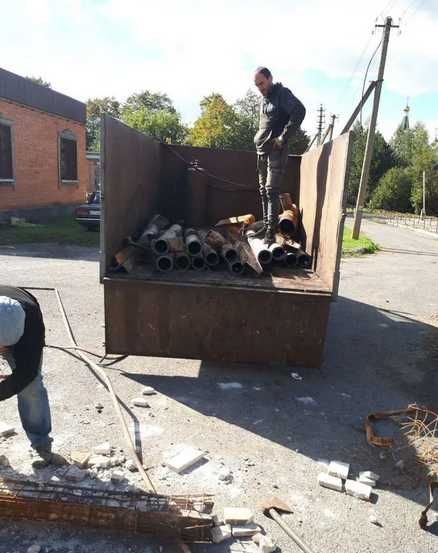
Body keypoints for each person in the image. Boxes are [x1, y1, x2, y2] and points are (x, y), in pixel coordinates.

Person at [0, 286, 62, 468]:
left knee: (32, 388)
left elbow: (26, 374)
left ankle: (41, 443)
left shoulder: (31, 331)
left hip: (25, 335)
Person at [253, 67, 306, 244]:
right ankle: (266, 226)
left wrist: (283, 138)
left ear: (270, 78)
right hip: (261, 150)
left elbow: (299, 111)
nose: (260, 87)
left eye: (262, 83)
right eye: (257, 85)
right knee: (263, 191)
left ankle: (270, 232)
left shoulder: (282, 93)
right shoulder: (264, 99)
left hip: (276, 150)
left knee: (271, 190)